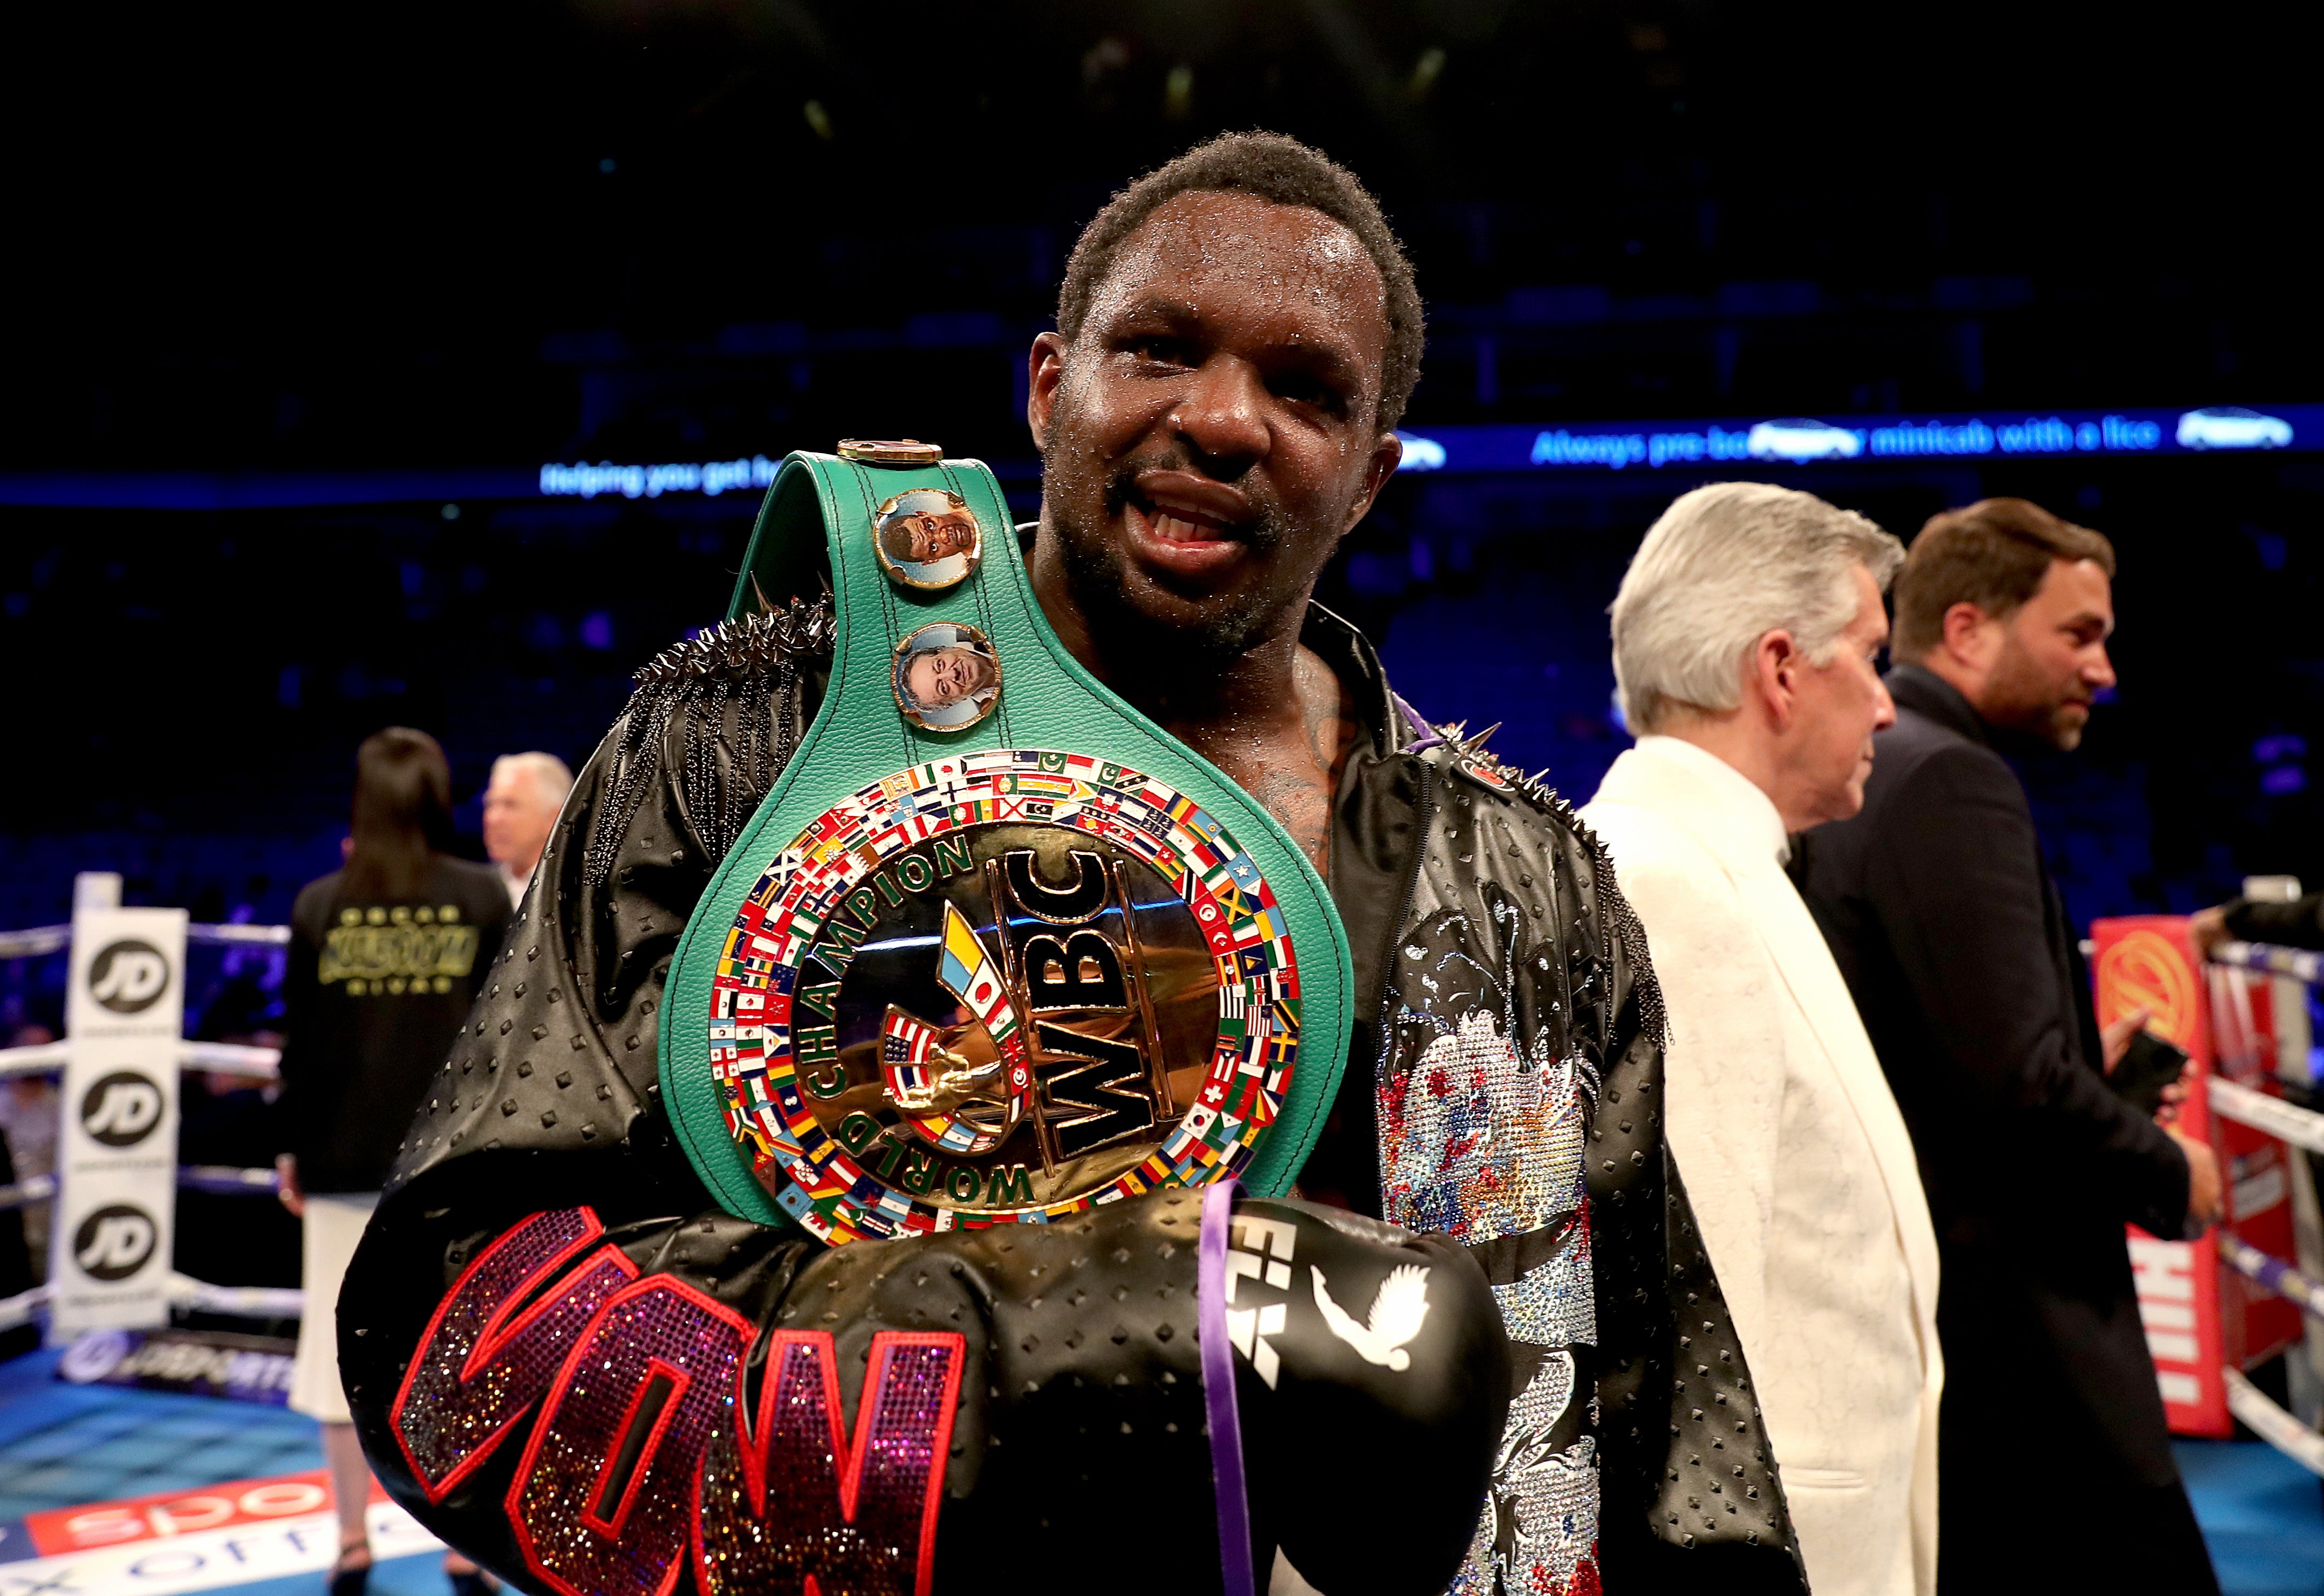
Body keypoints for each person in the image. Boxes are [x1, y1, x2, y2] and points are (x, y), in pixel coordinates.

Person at [341, 133, 1810, 1596]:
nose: (1224, 418)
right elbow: (468, 1335)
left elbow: (1672, 1442)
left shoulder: (1525, 876)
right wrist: (1115, 1324)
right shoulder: (751, 745)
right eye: (1160, 349)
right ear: (1050, 387)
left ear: (1368, 478)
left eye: (1302, 388)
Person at [1789, 497, 2225, 1594]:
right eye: (2079, 634)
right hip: (2027, 1351)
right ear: (1972, 630)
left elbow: (1955, 1045)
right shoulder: (1948, 776)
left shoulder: (1878, 766)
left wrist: (2083, 1056)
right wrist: (2175, 1168)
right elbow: (2018, 1087)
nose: (2108, 669)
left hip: (1948, 1333)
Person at [1581, 484, 1939, 1595]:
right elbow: (1676, 1355)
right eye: (1872, 657)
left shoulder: (1718, 865)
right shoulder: (1666, 881)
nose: (1887, 706)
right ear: (1780, 670)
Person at [275, 728, 509, 1596]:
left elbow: (298, 1043)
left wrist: (292, 1147)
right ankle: (462, 1539)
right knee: (454, 1341)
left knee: (331, 1352)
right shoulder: (481, 894)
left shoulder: (318, 904)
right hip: (448, 1159)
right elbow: (504, 1036)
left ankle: (350, 1539)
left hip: (343, 1152)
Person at [481, 751, 573, 907]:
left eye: (510, 805)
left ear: (555, 819)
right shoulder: (472, 891)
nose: (493, 819)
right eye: (490, 804)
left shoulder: (579, 894)